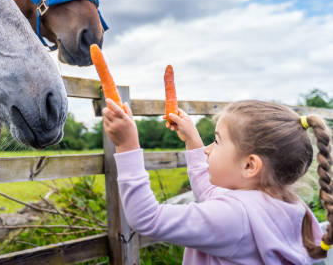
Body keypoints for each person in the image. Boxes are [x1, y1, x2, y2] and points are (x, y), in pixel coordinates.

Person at [102, 98, 331, 264]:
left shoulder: (235, 216)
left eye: (217, 141)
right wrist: (192, 139)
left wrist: (126, 146)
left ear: (250, 165)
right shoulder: (290, 207)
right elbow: (210, 193)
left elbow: (148, 219)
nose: (208, 150)